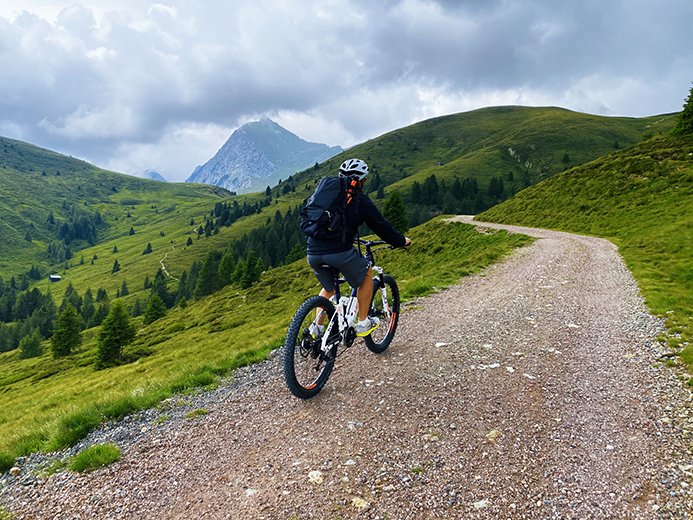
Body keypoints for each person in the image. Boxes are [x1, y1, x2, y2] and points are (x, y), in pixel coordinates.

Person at [307, 158, 412, 337]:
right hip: (339, 252)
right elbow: (381, 226)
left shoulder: (324, 195)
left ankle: (316, 328)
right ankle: (363, 322)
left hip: (313, 252)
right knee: (367, 274)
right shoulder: (360, 200)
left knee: (329, 287)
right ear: (362, 180)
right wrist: (401, 241)